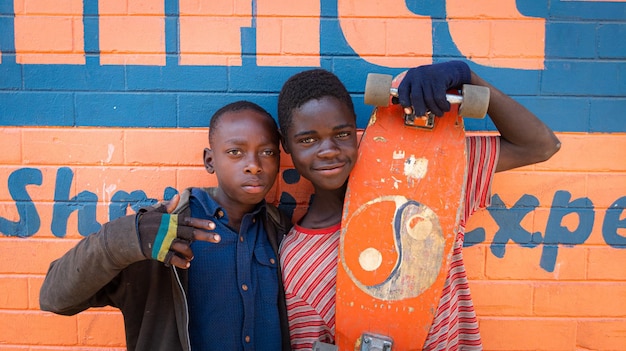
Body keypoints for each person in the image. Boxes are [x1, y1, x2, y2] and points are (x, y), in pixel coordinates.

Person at [276, 61, 561, 350]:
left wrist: (467, 77)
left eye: (342, 134)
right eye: (308, 139)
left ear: (357, 131)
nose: (328, 151)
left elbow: (541, 146)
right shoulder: (298, 263)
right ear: (286, 146)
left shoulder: (433, 177)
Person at [39, 101, 293, 351]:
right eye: (235, 151)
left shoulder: (280, 230)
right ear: (209, 161)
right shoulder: (160, 232)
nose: (254, 165)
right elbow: (54, 298)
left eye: (267, 152)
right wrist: (129, 238)